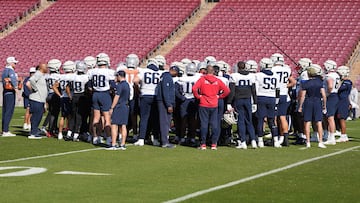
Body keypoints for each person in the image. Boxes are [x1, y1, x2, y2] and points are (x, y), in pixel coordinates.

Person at [192, 65, 230, 150]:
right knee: (214, 124)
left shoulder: (202, 79)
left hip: (203, 103)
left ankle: (203, 144)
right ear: (213, 72)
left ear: (206, 71)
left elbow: (194, 88)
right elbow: (227, 91)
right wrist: (219, 96)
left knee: (204, 124)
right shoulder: (217, 80)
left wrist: (198, 96)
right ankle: (214, 144)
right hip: (214, 104)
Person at [228, 61, 257, 149]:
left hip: (238, 100)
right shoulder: (251, 76)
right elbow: (254, 91)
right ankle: (253, 141)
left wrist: (229, 102)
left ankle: (243, 142)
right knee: (249, 121)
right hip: (248, 99)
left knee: (241, 121)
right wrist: (255, 102)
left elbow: (232, 91)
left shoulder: (234, 76)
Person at [133, 59, 163, 146]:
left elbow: (135, 81)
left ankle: (142, 138)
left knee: (144, 118)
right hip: (155, 96)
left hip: (145, 95)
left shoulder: (143, 71)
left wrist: (138, 90)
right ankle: (155, 139)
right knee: (155, 119)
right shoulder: (159, 73)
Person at [88, 53, 115, 145]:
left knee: (96, 117)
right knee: (107, 118)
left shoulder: (92, 71)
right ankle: (108, 137)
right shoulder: (109, 72)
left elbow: (89, 86)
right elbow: (113, 86)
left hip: (95, 94)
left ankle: (95, 137)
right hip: (105, 94)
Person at [298, 64, 327, 148]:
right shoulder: (319, 83)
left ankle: (308, 142)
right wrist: (324, 106)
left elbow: (302, 96)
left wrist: (300, 106)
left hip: (308, 102)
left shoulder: (306, 83)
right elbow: (324, 95)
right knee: (319, 122)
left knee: (307, 122)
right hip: (317, 102)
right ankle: (320, 141)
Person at [271, 53, 296, 146]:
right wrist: (285, 86)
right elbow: (293, 82)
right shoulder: (287, 69)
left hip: (274, 94)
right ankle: (284, 137)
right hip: (284, 95)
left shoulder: (272, 69)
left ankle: (276, 137)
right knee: (282, 116)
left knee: (273, 117)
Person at [255, 58, 279, 148]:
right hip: (272, 98)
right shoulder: (275, 76)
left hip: (261, 97)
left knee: (260, 120)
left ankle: (260, 140)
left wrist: (255, 100)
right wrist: (276, 102)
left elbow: (256, 89)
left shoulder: (258, 75)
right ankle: (275, 140)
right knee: (272, 120)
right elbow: (277, 90)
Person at [156, 65, 179, 148]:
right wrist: (169, 104)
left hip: (163, 102)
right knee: (165, 122)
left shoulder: (164, 77)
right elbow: (165, 92)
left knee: (164, 122)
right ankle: (164, 142)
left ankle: (163, 140)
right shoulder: (167, 77)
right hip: (164, 103)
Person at [108, 70, 130, 150]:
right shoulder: (127, 85)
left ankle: (113, 144)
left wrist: (112, 107)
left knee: (114, 125)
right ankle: (123, 144)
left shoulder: (120, 86)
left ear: (119, 76)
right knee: (123, 126)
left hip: (119, 106)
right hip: (125, 106)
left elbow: (117, 97)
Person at [53, 61, 76, 140]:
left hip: (63, 97)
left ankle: (60, 133)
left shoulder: (61, 76)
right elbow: (67, 88)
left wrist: (60, 95)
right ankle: (69, 132)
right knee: (70, 116)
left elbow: (54, 86)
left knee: (62, 116)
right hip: (69, 97)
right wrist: (70, 96)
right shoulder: (73, 76)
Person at [26, 63, 49, 139]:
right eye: (46, 67)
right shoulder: (38, 74)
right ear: (41, 68)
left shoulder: (41, 75)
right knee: (37, 116)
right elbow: (30, 81)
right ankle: (33, 133)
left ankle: (34, 131)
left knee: (36, 116)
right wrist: (35, 89)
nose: (47, 68)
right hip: (37, 99)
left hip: (39, 99)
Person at [68, 61, 90, 141]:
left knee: (73, 115)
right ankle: (76, 134)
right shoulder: (86, 77)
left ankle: (69, 133)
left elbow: (69, 86)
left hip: (74, 95)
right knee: (79, 116)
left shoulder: (73, 76)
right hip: (82, 96)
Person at [42, 59, 62, 137]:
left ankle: (49, 127)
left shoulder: (46, 76)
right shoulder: (58, 76)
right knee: (54, 113)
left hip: (48, 94)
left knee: (51, 112)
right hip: (54, 94)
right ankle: (51, 129)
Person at [323, 60, 340, 145]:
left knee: (330, 117)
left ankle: (331, 137)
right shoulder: (336, 75)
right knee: (330, 117)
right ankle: (330, 136)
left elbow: (330, 86)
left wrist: (327, 94)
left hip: (331, 96)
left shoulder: (329, 76)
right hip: (335, 95)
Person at [1, 57, 19, 137]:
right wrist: (17, 91)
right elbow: (13, 80)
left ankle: (4, 129)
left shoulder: (4, 70)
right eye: (14, 63)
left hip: (5, 91)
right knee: (9, 111)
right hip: (10, 92)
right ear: (11, 63)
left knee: (5, 111)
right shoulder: (10, 70)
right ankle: (5, 130)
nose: (15, 64)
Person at [335, 66, 352, 142]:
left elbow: (339, 89)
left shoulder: (346, 82)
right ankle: (342, 134)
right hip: (342, 101)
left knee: (342, 119)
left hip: (342, 102)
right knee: (340, 119)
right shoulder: (345, 82)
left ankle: (344, 135)